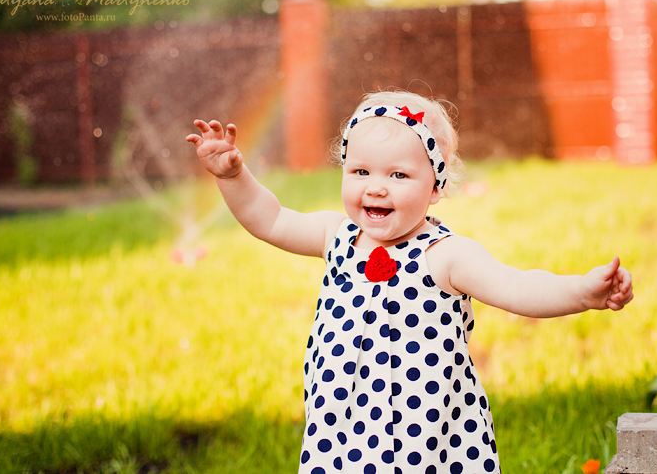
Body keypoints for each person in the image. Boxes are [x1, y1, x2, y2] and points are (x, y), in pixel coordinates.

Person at [186, 90, 634, 474]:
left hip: (428, 436)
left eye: (398, 175)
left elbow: (516, 287)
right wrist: (234, 176)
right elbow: (270, 219)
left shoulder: (446, 255)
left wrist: (580, 292)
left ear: (435, 187)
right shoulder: (335, 236)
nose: (376, 188)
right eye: (361, 172)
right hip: (342, 431)